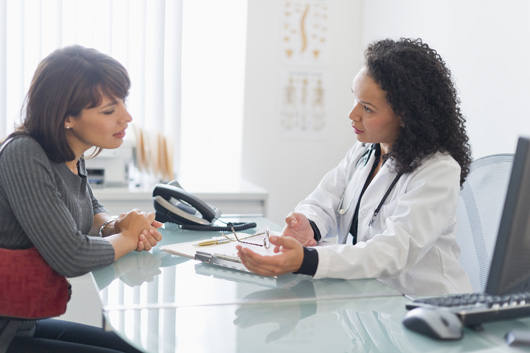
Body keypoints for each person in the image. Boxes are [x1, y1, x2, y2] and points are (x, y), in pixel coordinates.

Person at [237, 38, 474, 296]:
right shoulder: (365, 151)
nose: (353, 115)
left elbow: (393, 250)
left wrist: (308, 260)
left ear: (406, 115)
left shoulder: (437, 170)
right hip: (374, 302)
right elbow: (324, 199)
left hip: (428, 307)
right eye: (355, 100)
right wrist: (307, 224)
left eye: (368, 108)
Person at [0, 45, 162, 352]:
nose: (126, 117)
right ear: (66, 118)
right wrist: (128, 236)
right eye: (109, 110)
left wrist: (113, 226)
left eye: (122, 103)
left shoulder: (68, 153)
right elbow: (71, 256)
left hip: (22, 324)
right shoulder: (24, 153)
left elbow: (87, 208)